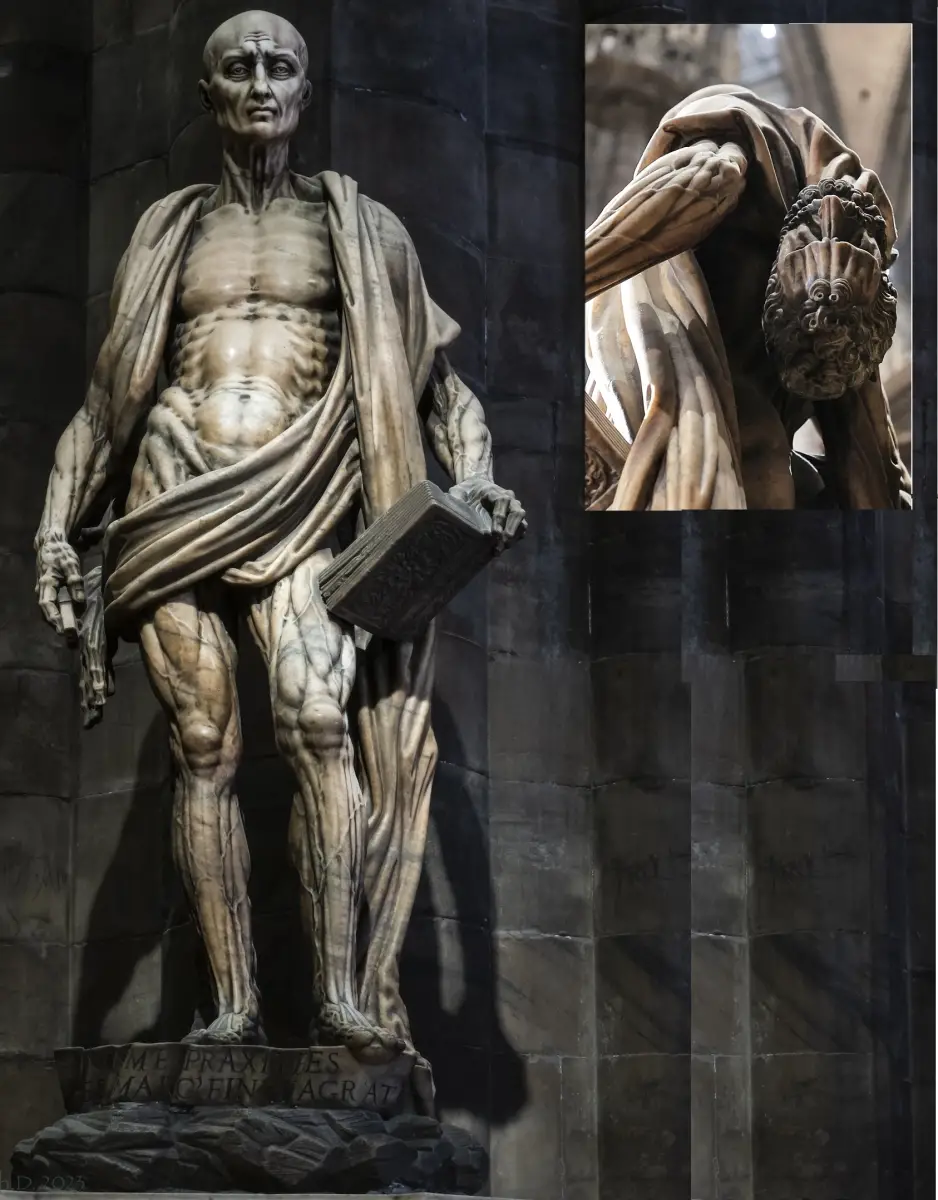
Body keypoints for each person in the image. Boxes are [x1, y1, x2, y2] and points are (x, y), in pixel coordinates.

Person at [33, 10, 525, 1087]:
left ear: (305, 90)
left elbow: (440, 391)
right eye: (239, 68)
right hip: (170, 494)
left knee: (316, 725)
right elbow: (108, 400)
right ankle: (232, 1009)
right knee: (202, 747)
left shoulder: (358, 227)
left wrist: (477, 480)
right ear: (210, 92)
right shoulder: (169, 231)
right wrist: (52, 524)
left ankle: (342, 997)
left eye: (280, 67)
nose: (260, 84)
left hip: (305, 497)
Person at [586, 84, 911, 510]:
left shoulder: (853, 313)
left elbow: (872, 452)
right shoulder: (731, 164)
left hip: (752, 382)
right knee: (726, 456)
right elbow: (648, 218)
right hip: (660, 313)